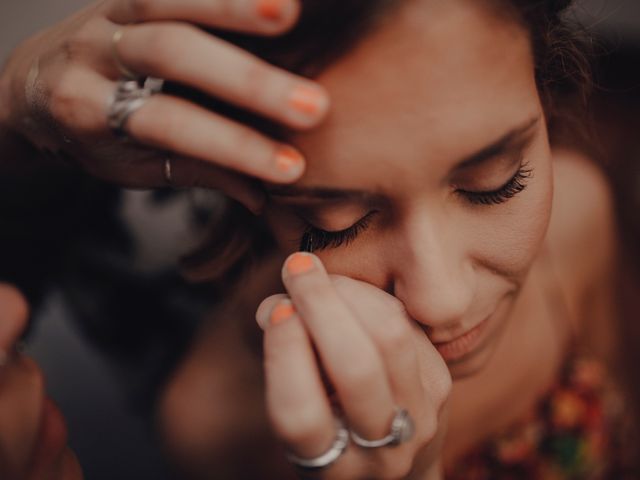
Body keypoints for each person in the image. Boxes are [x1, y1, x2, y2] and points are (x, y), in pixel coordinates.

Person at [0, 0, 636, 479]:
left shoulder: (580, 210)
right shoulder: (219, 425)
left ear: (545, 89)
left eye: (497, 183)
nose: (443, 299)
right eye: (338, 219)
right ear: (238, 186)